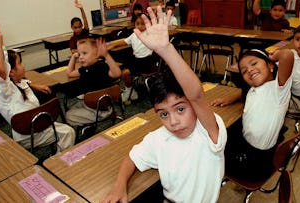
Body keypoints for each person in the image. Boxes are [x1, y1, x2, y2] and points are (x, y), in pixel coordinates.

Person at [100, 6, 227, 203]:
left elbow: (196, 95)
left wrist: (165, 50)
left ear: (193, 106)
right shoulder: (158, 138)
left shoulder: (208, 131)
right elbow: (132, 158)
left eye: (180, 109)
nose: (173, 121)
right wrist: (119, 186)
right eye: (163, 114)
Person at [0, 24, 75, 152]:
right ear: (10, 72)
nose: (23, 66)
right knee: (68, 132)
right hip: (27, 135)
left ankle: (58, 157)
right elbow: (1, 69)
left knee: (66, 131)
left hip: (38, 126)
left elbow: (24, 83)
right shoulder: (5, 90)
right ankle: (60, 164)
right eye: (20, 63)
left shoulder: (19, 82)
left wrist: (34, 85)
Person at [211, 47, 294, 180]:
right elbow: (245, 91)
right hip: (247, 143)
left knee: (210, 146)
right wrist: (229, 99)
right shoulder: (255, 88)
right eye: (244, 71)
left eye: (254, 63)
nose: (249, 70)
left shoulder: (278, 90)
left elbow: (287, 54)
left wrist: (271, 57)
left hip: (254, 162)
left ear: (270, 65)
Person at [65, 37, 122, 127]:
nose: (81, 57)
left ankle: (99, 119)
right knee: (73, 107)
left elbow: (117, 73)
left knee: (68, 116)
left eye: (84, 53)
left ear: (96, 54)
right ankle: (100, 117)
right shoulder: (84, 69)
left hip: (99, 110)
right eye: (79, 54)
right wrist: (73, 57)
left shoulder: (102, 66)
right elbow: (70, 73)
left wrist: (106, 55)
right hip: (94, 105)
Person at [107, 13, 158, 102]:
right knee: (123, 68)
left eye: (143, 24)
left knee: (126, 71)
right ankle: (130, 90)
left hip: (148, 62)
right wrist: (110, 45)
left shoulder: (150, 33)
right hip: (137, 61)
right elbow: (124, 41)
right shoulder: (134, 35)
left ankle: (129, 90)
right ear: (134, 25)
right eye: (137, 24)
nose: (140, 26)